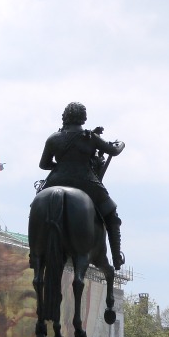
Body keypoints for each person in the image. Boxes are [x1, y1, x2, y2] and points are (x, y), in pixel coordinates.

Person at [38, 102, 126, 269]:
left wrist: (61, 165)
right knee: (111, 215)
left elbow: (44, 164)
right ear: (83, 118)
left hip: (56, 180)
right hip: (86, 183)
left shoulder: (53, 138)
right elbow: (113, 150)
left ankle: (34, 253)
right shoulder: (90, 137)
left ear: (65, 116)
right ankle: (116, 257)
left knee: (37, 207)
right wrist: (121, 143)